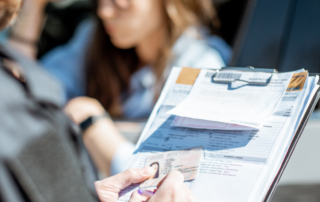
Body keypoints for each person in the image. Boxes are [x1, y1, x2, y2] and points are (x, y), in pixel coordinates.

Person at [0, 1, 197, 201]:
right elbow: (25, 88)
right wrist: (33, 8)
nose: (104, 11)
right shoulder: (93, 39)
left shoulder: (203, 64)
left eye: (120, 1)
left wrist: (92, 124)